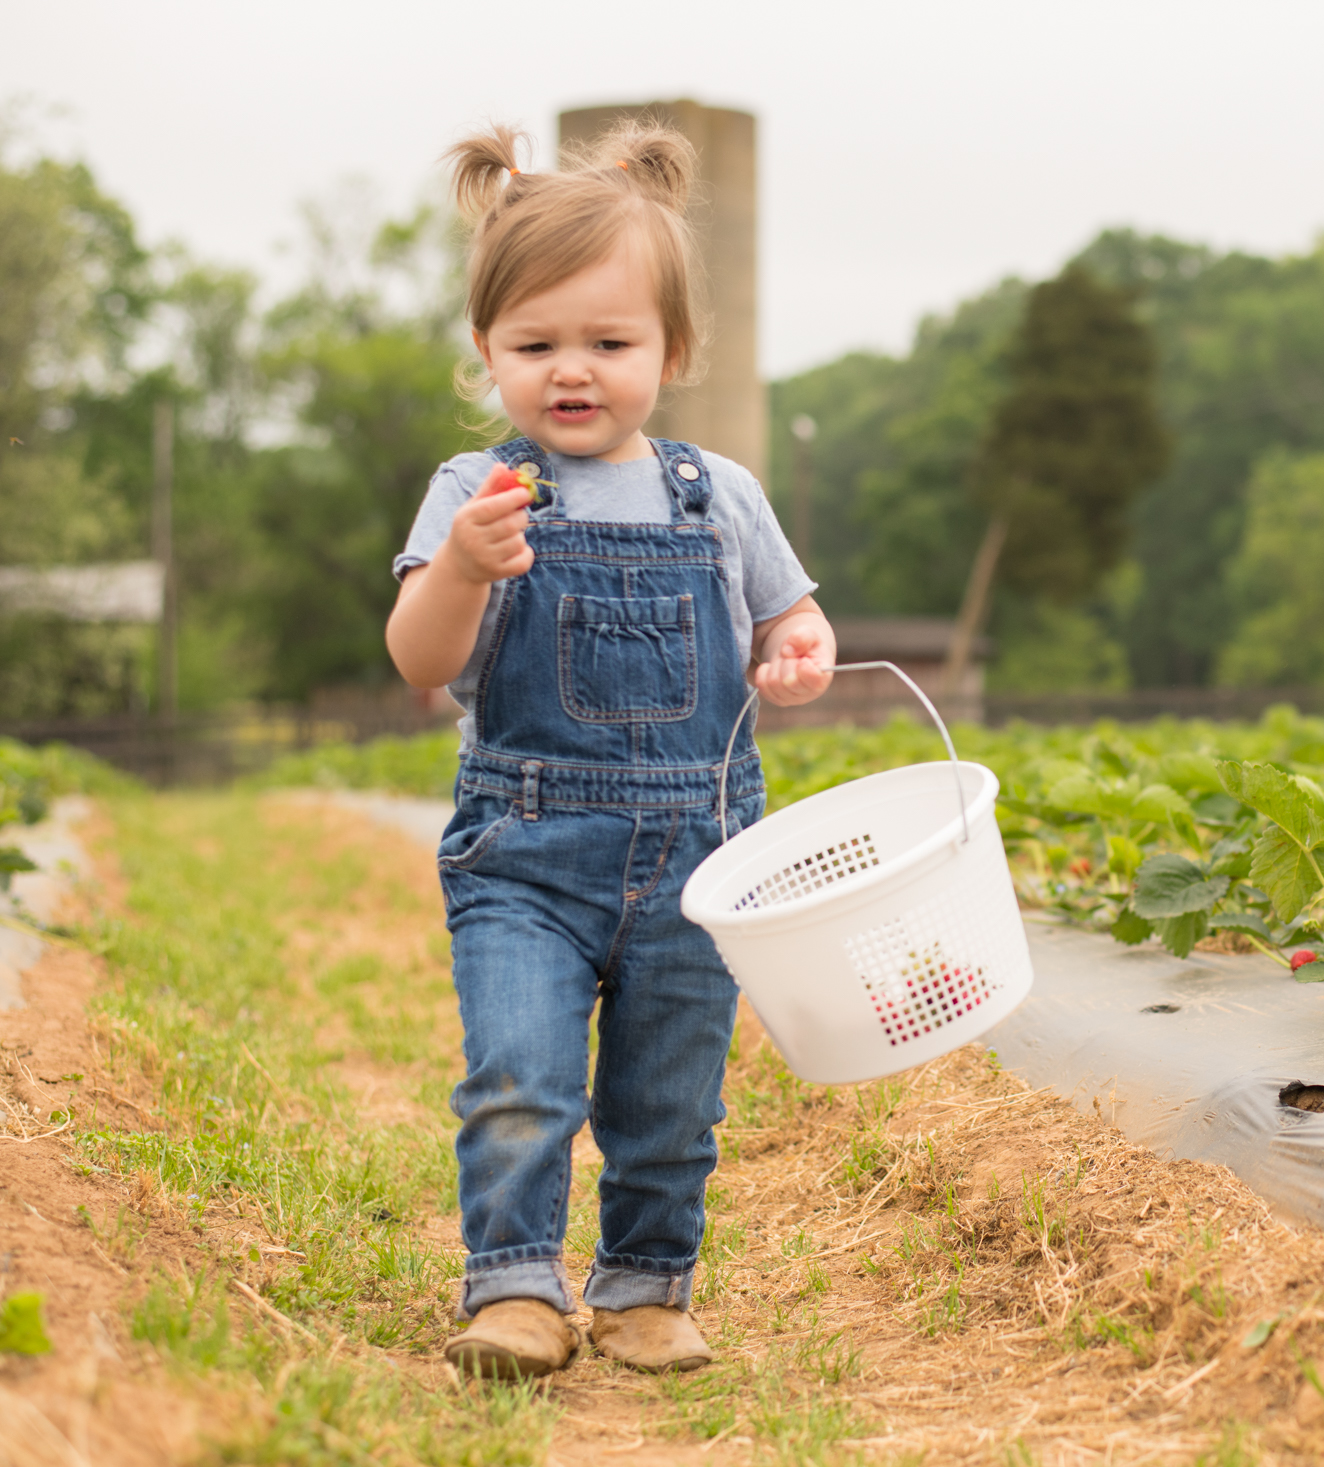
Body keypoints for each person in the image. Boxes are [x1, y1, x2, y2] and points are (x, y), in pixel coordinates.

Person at [386, 121, 835, 1379]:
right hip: (525, 853)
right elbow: (423, 661)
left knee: (671, 1102)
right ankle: (515, 1287)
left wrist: (797, 650)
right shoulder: (477, 490)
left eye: (608, 343)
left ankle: (644, 1285)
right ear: (486, 355)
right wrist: (463, 571)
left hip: (699, 857)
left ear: (672, 351)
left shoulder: (720, 494)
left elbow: (786, 616)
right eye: (535, 346)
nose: (569, 372)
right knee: (522, 1076)